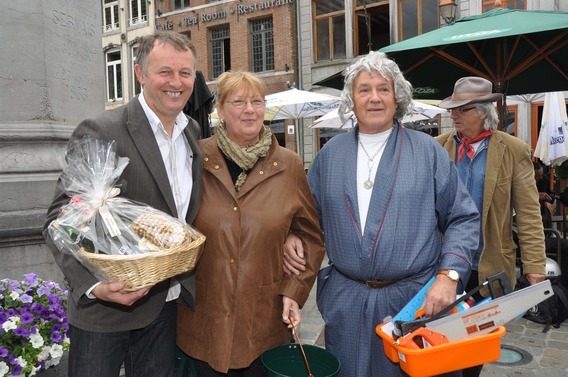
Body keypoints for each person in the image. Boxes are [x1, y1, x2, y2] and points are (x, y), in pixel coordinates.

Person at [285, 51, 480, 376]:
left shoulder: (427, 152)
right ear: (351, 99)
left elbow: (463, 217)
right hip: (347, 304)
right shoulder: (329, 156)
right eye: (364, 89)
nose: (374, 97)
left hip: (415, 301)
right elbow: (307, 220)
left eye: (383, 89)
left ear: (397, 97)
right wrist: (292, 232)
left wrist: (449, 277)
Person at [43, 31, 203, 377]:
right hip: (104, 312)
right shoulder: (103, 129)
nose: (176, 82)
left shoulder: (192, 133)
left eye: (185, 73)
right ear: (140, 74)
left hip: (165, 302)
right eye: (165, 72)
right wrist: (94, 286)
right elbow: (59, 220)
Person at [176, 71, 326, 376]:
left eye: (257, 101)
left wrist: (294, 289)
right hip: (204, 318)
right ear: (219, 109)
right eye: (239, 101)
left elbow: (311, 237)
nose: (249, 109)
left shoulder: (289, 164)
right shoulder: (193, 158)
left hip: (264, 321)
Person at [435, 76, 547, 377]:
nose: (453, 115)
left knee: (475, 346)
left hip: (489, 269)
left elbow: (528, 213)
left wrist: (535, 270)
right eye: (452, 109)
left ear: (484, 111)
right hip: (442, 268)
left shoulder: (512, 150)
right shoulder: (436, 148)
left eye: (462, 109)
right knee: (438, 342)